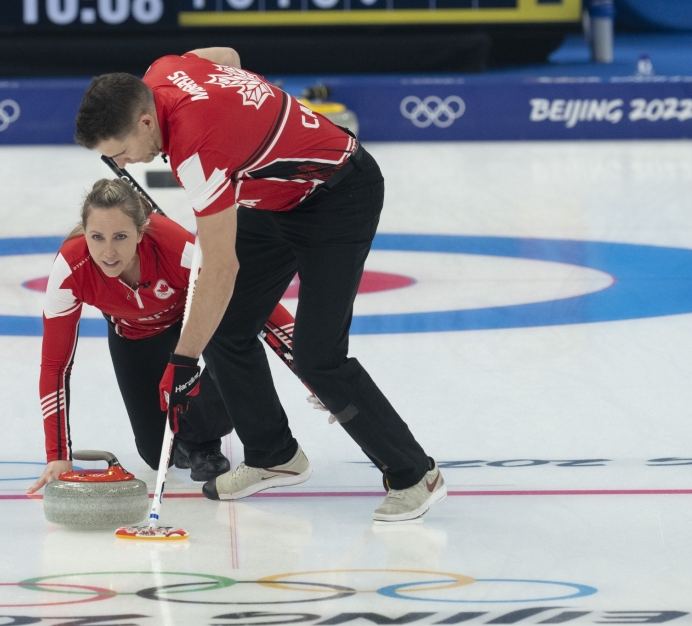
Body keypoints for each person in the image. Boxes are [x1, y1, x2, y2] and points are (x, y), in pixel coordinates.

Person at [73, 48, 446, 522]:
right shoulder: (163, 71)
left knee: (319, 355)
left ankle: (416, 474)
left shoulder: (198, 153)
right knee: (229, 326)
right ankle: (274, 454)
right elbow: (227, 56)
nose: (122, 164)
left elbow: (220, 269)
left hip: (339, 196)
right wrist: (245, 117)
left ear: (147, 121)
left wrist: (183, 359)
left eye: (121, 150)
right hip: (276, 199)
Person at [28, 178, 289, 494]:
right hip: (133, 336)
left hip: (192, 326)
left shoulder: (174, 247)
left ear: (140, 232)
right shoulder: (71, 268)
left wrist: (310, 370)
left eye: (121, 237)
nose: (108, 252)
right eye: (97, 237)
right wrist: (57, 455)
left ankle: (202, 440)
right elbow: (56, 366)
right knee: (156, 455)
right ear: (85, 232)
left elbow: (251, 304)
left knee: (232, 348)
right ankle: (192, 442)